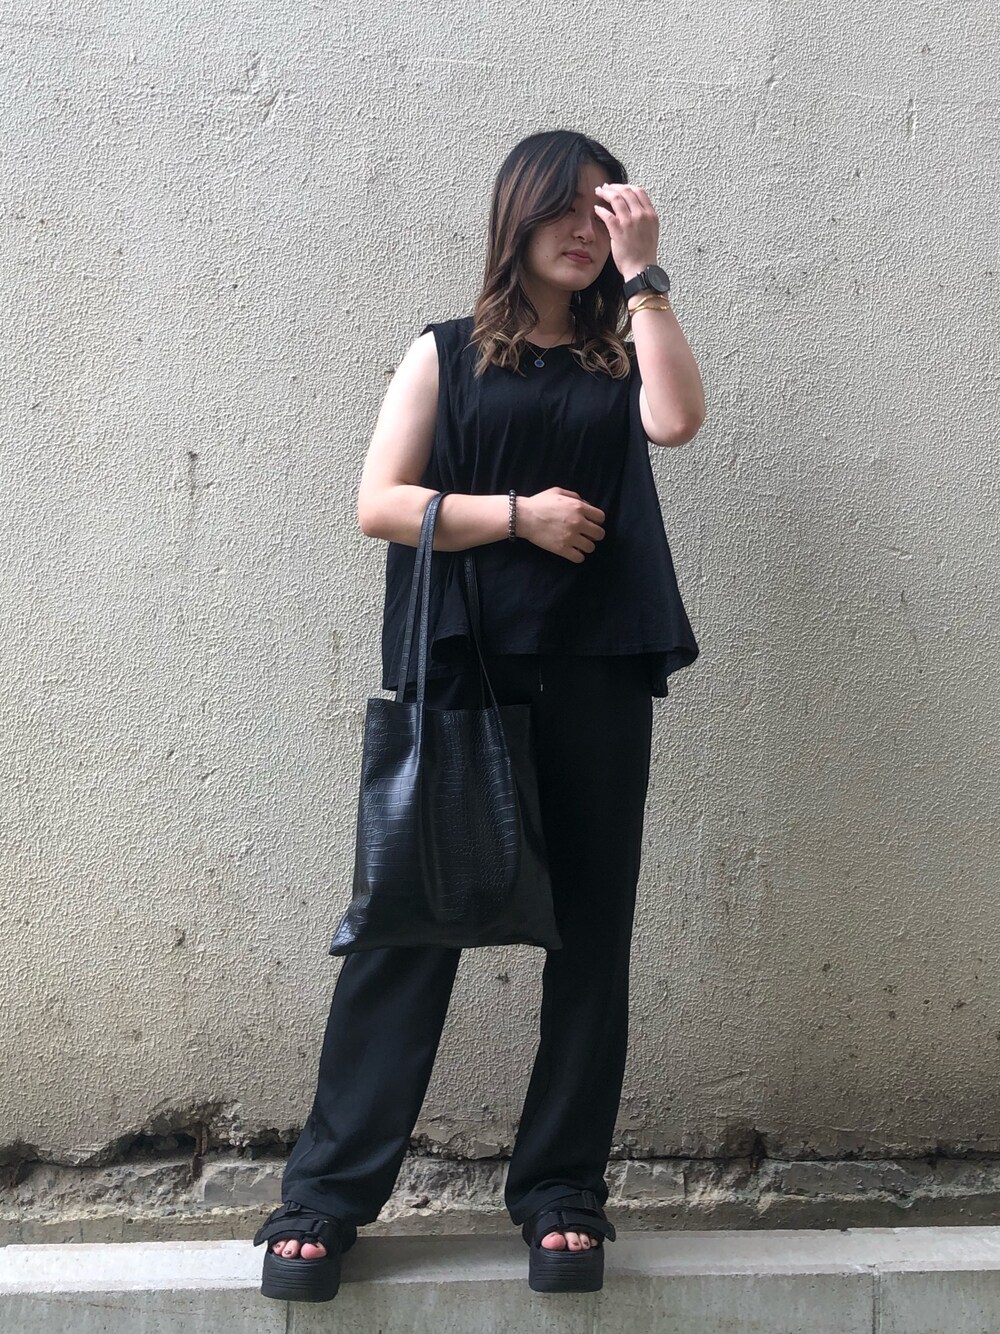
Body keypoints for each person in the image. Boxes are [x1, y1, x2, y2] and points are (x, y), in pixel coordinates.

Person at [253, 128, 705, 1302]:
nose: (581, 228)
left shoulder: (622, 349)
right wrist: (517, 515)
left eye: (601, 209)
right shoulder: (446, 351)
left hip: (597, 668)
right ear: (516, 216)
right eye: (561, 206)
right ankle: (324, 1196)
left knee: (591, 937)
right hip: (467, 670)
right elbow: (379, 501)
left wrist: (648, 274)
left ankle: (561, 1194)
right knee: (408, 931)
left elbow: (675, 421)